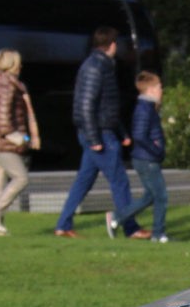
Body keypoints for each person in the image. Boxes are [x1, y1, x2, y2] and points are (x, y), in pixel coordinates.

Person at [54, 26, 136, 238]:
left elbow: (106, 105)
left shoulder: (100, 66)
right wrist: (94, 138)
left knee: (84, 181)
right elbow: (86, 106)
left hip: (100, 131)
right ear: (112, 45)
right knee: (119, 180)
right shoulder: (97, 67)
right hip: (100, 133)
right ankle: (129, 226)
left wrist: (122, 133)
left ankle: (63, 225)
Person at [0, 49, 37, 236]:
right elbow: (4, 122)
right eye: (18, 63)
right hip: (4, 143)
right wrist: (22, 139)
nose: (21, 66)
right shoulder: (9, 87)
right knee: (21, 178)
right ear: (12, 65)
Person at [110, 71, 169, 243]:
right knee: (161, 196)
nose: (161, 90)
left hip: (146, 158)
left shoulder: (148, 107)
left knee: (149, 196)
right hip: (147, 159)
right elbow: (139, 135)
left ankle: (117, 217)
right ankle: (158, 234)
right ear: (150, 90)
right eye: (159, 87)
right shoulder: (144, 109)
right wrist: (156, 149)